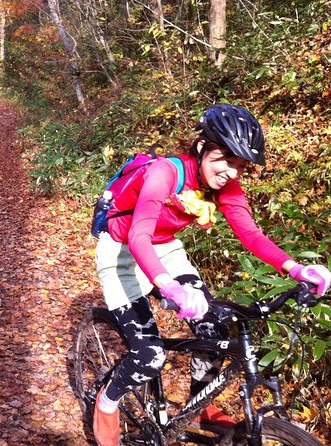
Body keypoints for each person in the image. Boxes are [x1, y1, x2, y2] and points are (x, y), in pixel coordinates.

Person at [92, 104, 331, 446]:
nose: (231, 172)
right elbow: (138, 235)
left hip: (164, 249)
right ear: (202, 147)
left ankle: (200, 405)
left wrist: (296, 268)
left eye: (240, 166)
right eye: (225, 159)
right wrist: (168, 287)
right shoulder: (164, 173)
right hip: (121, 249)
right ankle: (108, 400)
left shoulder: (224, 186)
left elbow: (250, 234)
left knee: (213, 331)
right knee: (150, 355)